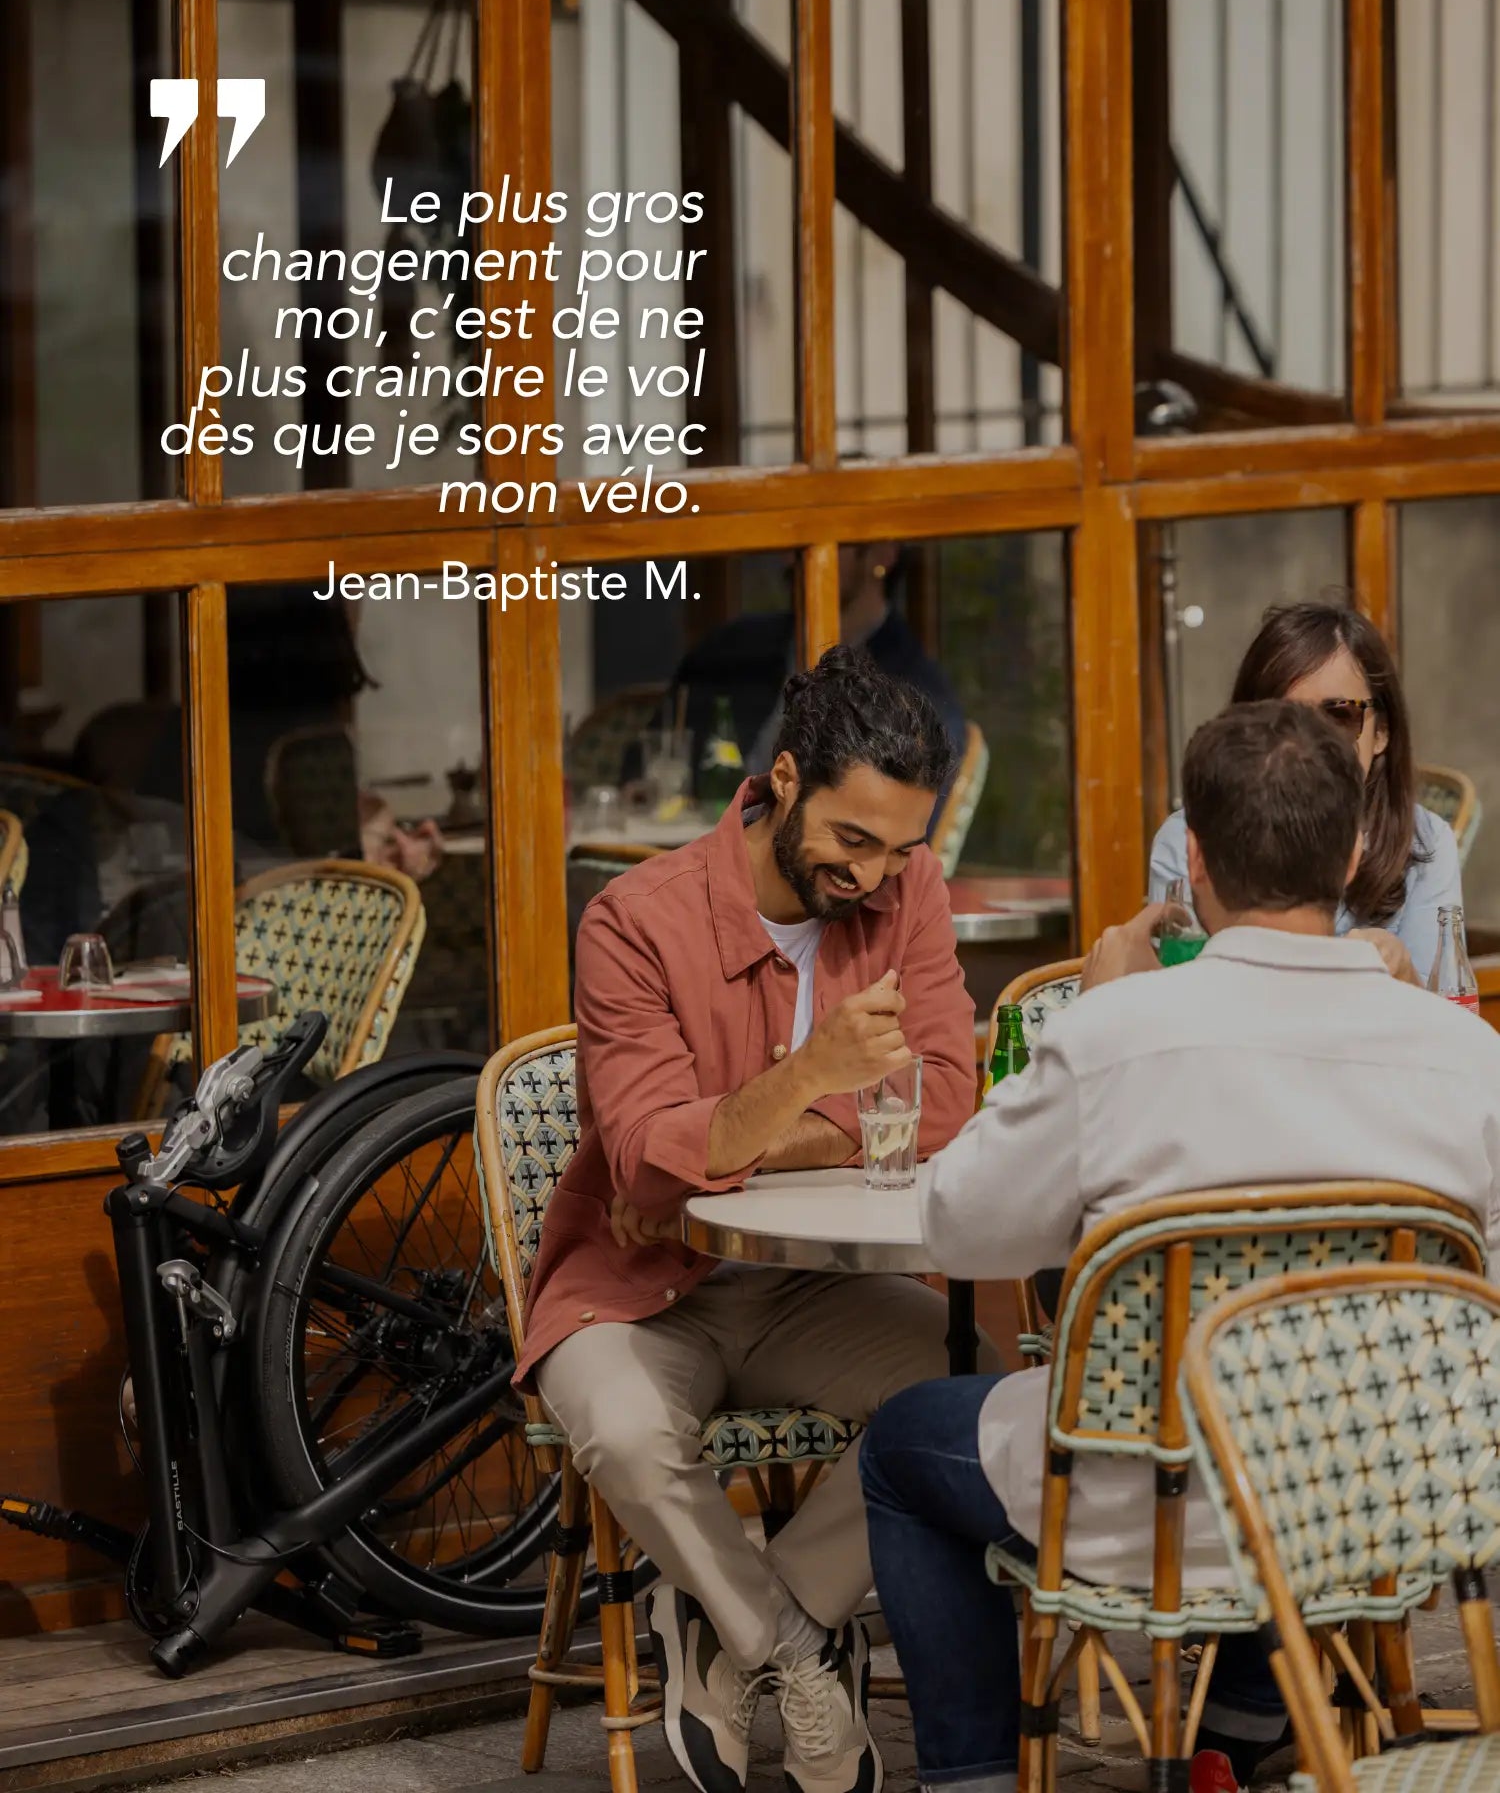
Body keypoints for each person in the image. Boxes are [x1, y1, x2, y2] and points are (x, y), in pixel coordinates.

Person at [859, 699, 1500, 1793]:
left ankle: (971, 1778)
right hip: (1371, 1505)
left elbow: (958, 1226)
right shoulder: (1465, 1054)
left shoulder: (1117, 1035)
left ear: (1191, 857)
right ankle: (1250, 1719)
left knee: (903, 1445)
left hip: (1143, 1510)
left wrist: (1087, 1019)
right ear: (1353, 852)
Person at [515, 647, 982, 1793]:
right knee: (622, 1433)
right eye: (852, 840)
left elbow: (949, 1100)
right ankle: (786, 1647)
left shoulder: (910, 893)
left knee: (973, 1386)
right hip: (634, 1288)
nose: (874, 877)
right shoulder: (635, 921)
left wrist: (754, 1130)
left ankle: (733, 1619)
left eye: (899, 850)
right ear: (781, 781)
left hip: (809, 1286)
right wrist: (824, 1079)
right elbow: (645, 1154)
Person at [1151, 601, 1461, 986]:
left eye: (1339, 715)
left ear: (1381, 732)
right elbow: (1178, 997)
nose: (1312, 741)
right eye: (1285, 717)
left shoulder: (1425, 844)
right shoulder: (1186, 840)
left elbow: (1449, 1022)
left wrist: (1406, 974)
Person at [669, 542, 969, 787]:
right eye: (791, 542)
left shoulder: (913, 692)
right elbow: (652, 761)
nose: (789, 558)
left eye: (817, 543)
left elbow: (905, 830)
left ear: (882, 553)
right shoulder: (730, 649)